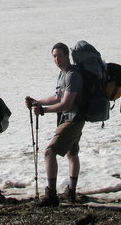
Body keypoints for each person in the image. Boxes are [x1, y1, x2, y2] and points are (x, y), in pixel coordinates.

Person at [25, 42, 84, 206]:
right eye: (54, 56)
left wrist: (43, 110)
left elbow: (67, 104)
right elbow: (58, 97)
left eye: (59, 55)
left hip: (72, 119)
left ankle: (51, 196)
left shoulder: (72, 75)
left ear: (67, 56)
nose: (56, 59)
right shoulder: (63, 74)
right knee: (72, 153)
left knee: (49, 152)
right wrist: (38, 101)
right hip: (73, 118)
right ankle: (71, 192)